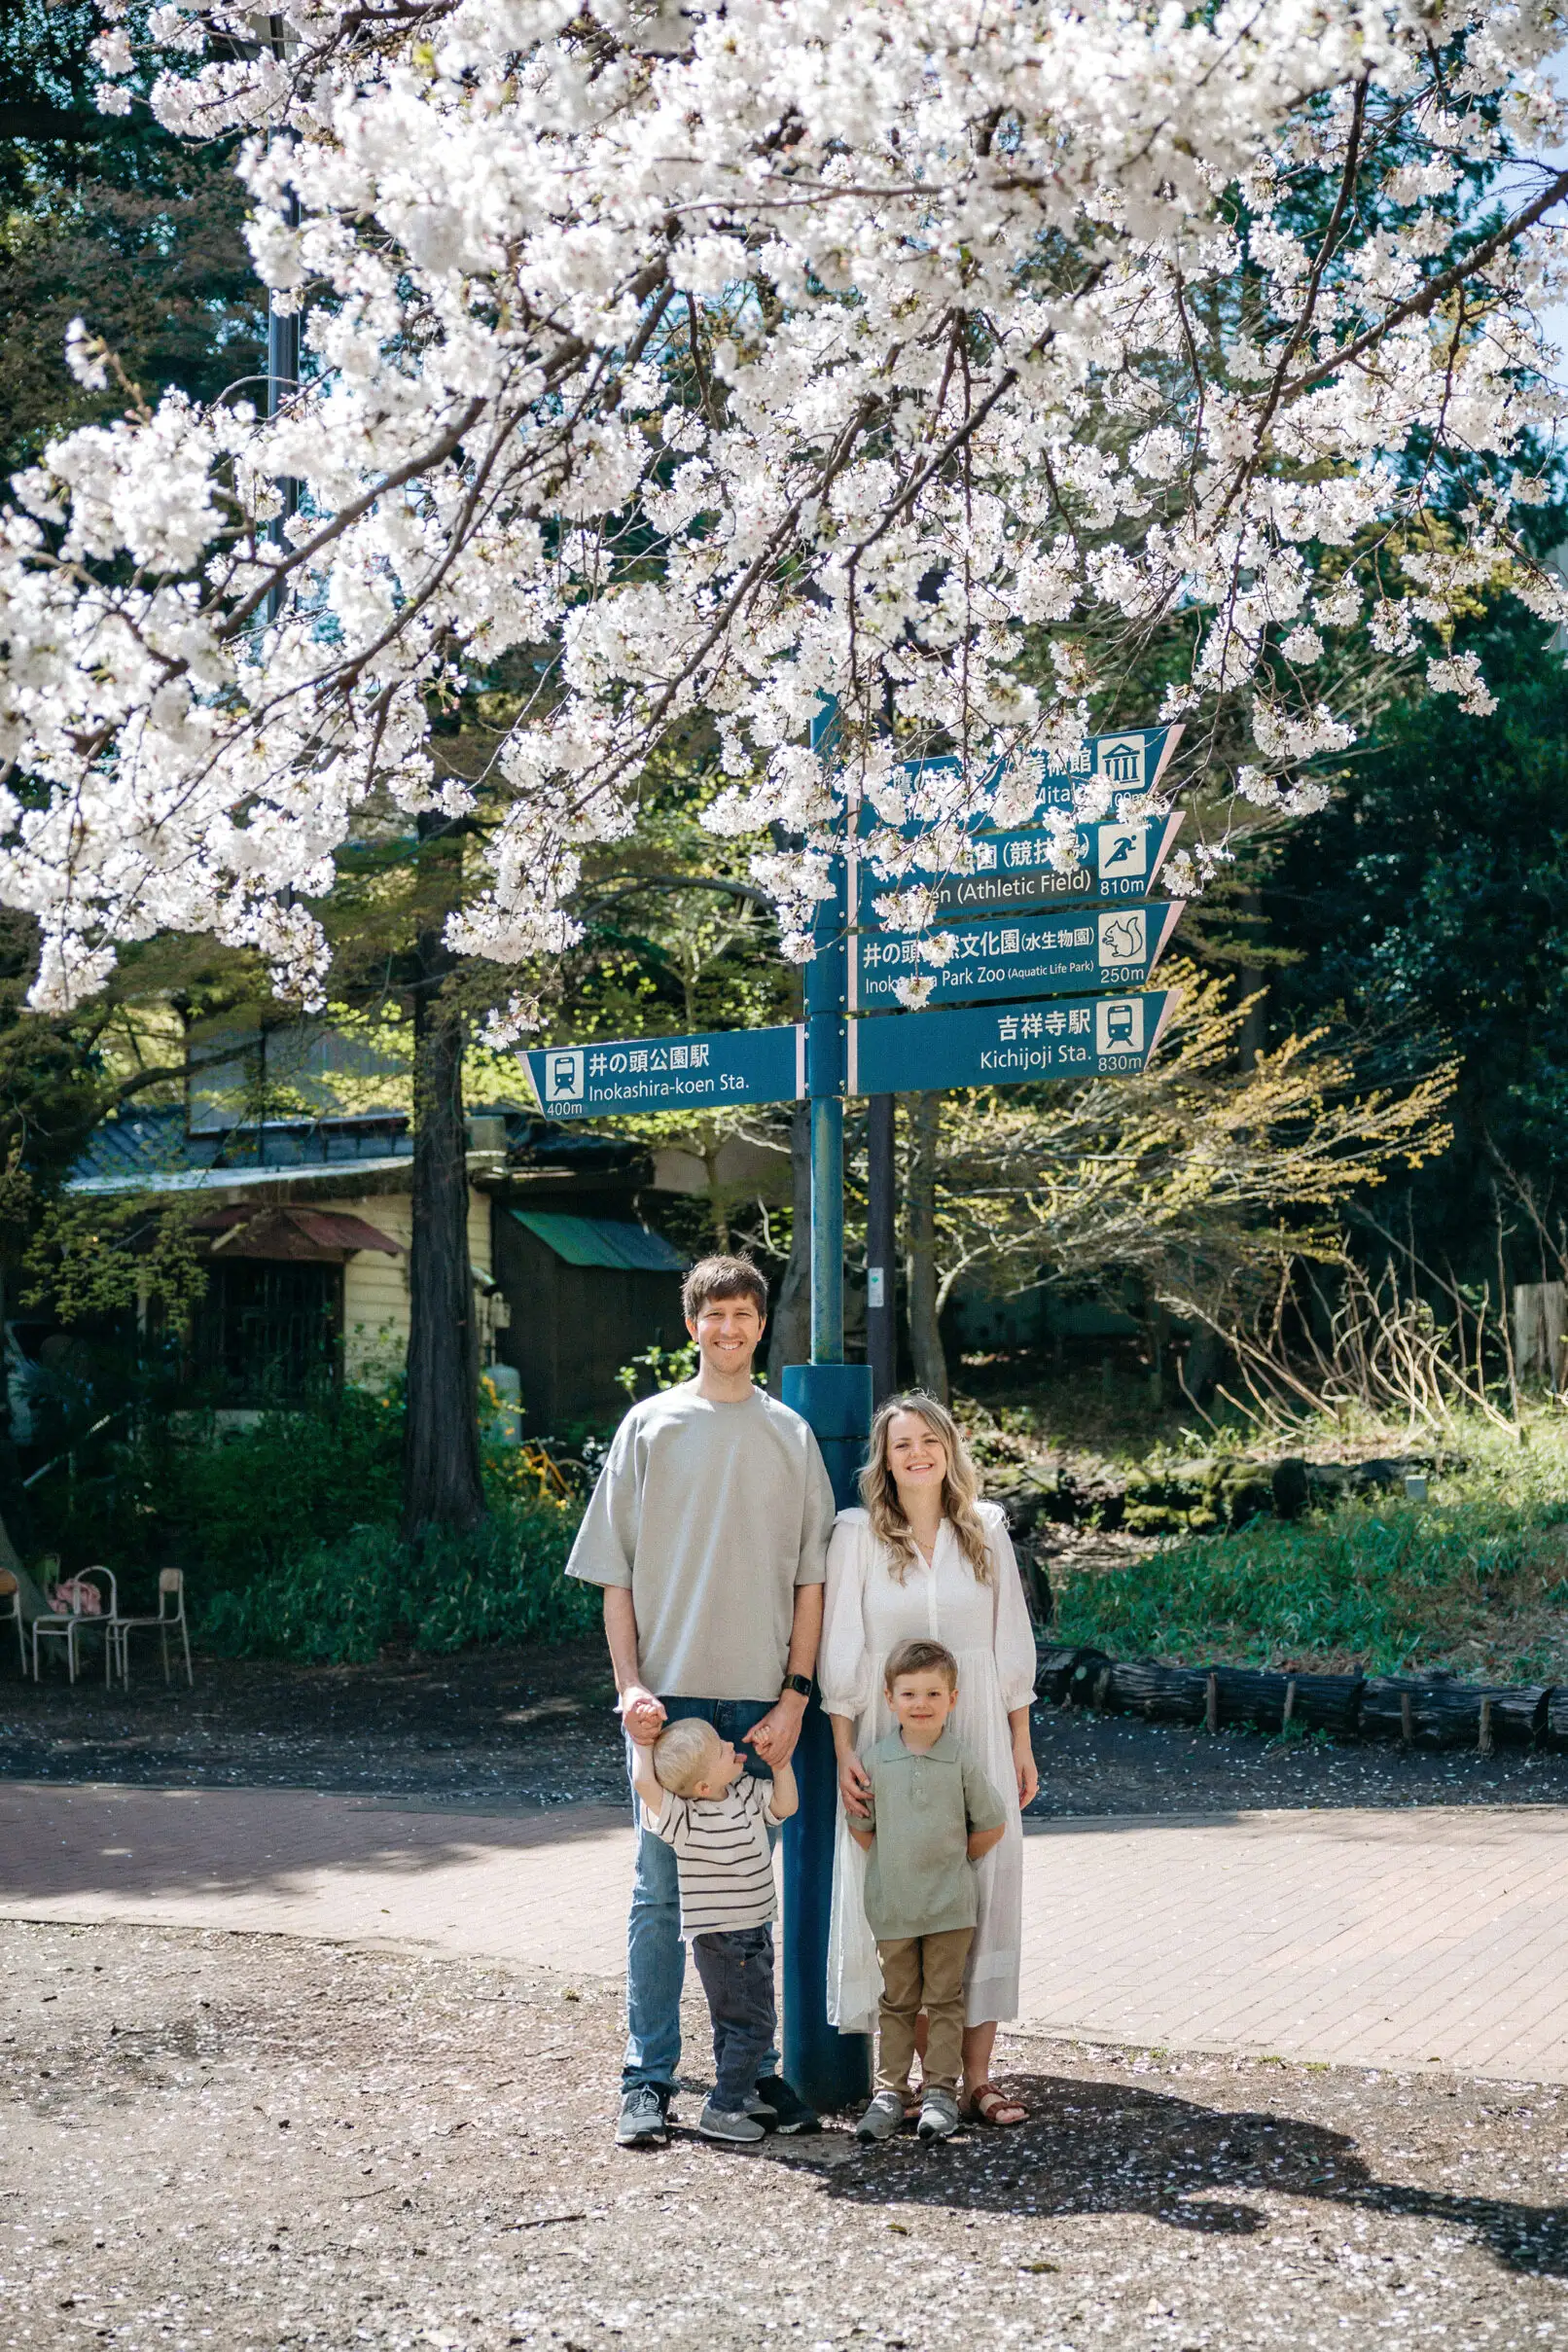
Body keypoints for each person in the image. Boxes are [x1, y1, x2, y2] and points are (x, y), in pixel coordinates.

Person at [567, 1252, 837, 2149]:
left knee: (745, 1909)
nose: (729, 1330)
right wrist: (629, 1687)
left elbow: (811, 1584)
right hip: (669, 1708)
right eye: (713, 1316)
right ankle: (646, 2078)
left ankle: (747, 2076)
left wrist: (797, 1695)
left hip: (755, 1709)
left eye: (744, 1316)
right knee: (659, 1900)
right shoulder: (649, 1427)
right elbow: (615, 1577)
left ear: (762, 1327)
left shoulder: (790, 1436)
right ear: (692, 1327)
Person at [820, 1393, 1040, 2126]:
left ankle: (977, 2077)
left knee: (984, 1889)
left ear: (949, 1449)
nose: (915, 1454)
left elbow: (1010, 1644)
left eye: (927, 1441)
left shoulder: (987, 1529)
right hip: (889, 1734)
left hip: (975, 1723)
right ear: (883, 1458)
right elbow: (843, 1646)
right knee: (903, 1892)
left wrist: (1020, 1742)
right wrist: (846, 1749)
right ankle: (917, 2078)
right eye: (900, 1443)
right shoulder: (857, 1534)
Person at [847, 1638, 1007, 2143]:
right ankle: (890, 2092)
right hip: (892, 1906)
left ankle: (941, 2091)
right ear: (890, 1699)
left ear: (952, 1700)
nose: (921, 1704)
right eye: (910, 1694)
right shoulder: (875, 1760)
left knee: (943, 2000)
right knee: (896, 2001)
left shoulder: (960, 1759)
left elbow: (991, 1824)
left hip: (949, 1908)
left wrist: (953, 1864)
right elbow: (862, 1827)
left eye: (934, 1694)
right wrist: (900, 1864)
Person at [631, 1717, 799, 2144]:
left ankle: (738, 2095)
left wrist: (780, 1763)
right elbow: (645, 1787)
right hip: (724, 1940)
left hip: (755, 1930)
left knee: (734, 2024)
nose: (731, 1745)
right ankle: (722, 2109)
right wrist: (642, 1745)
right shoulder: (683, 1818)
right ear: (703, 1785)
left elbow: (786, 1807)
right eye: (722, 1749)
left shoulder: (744, 1793)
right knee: (754, 2025)